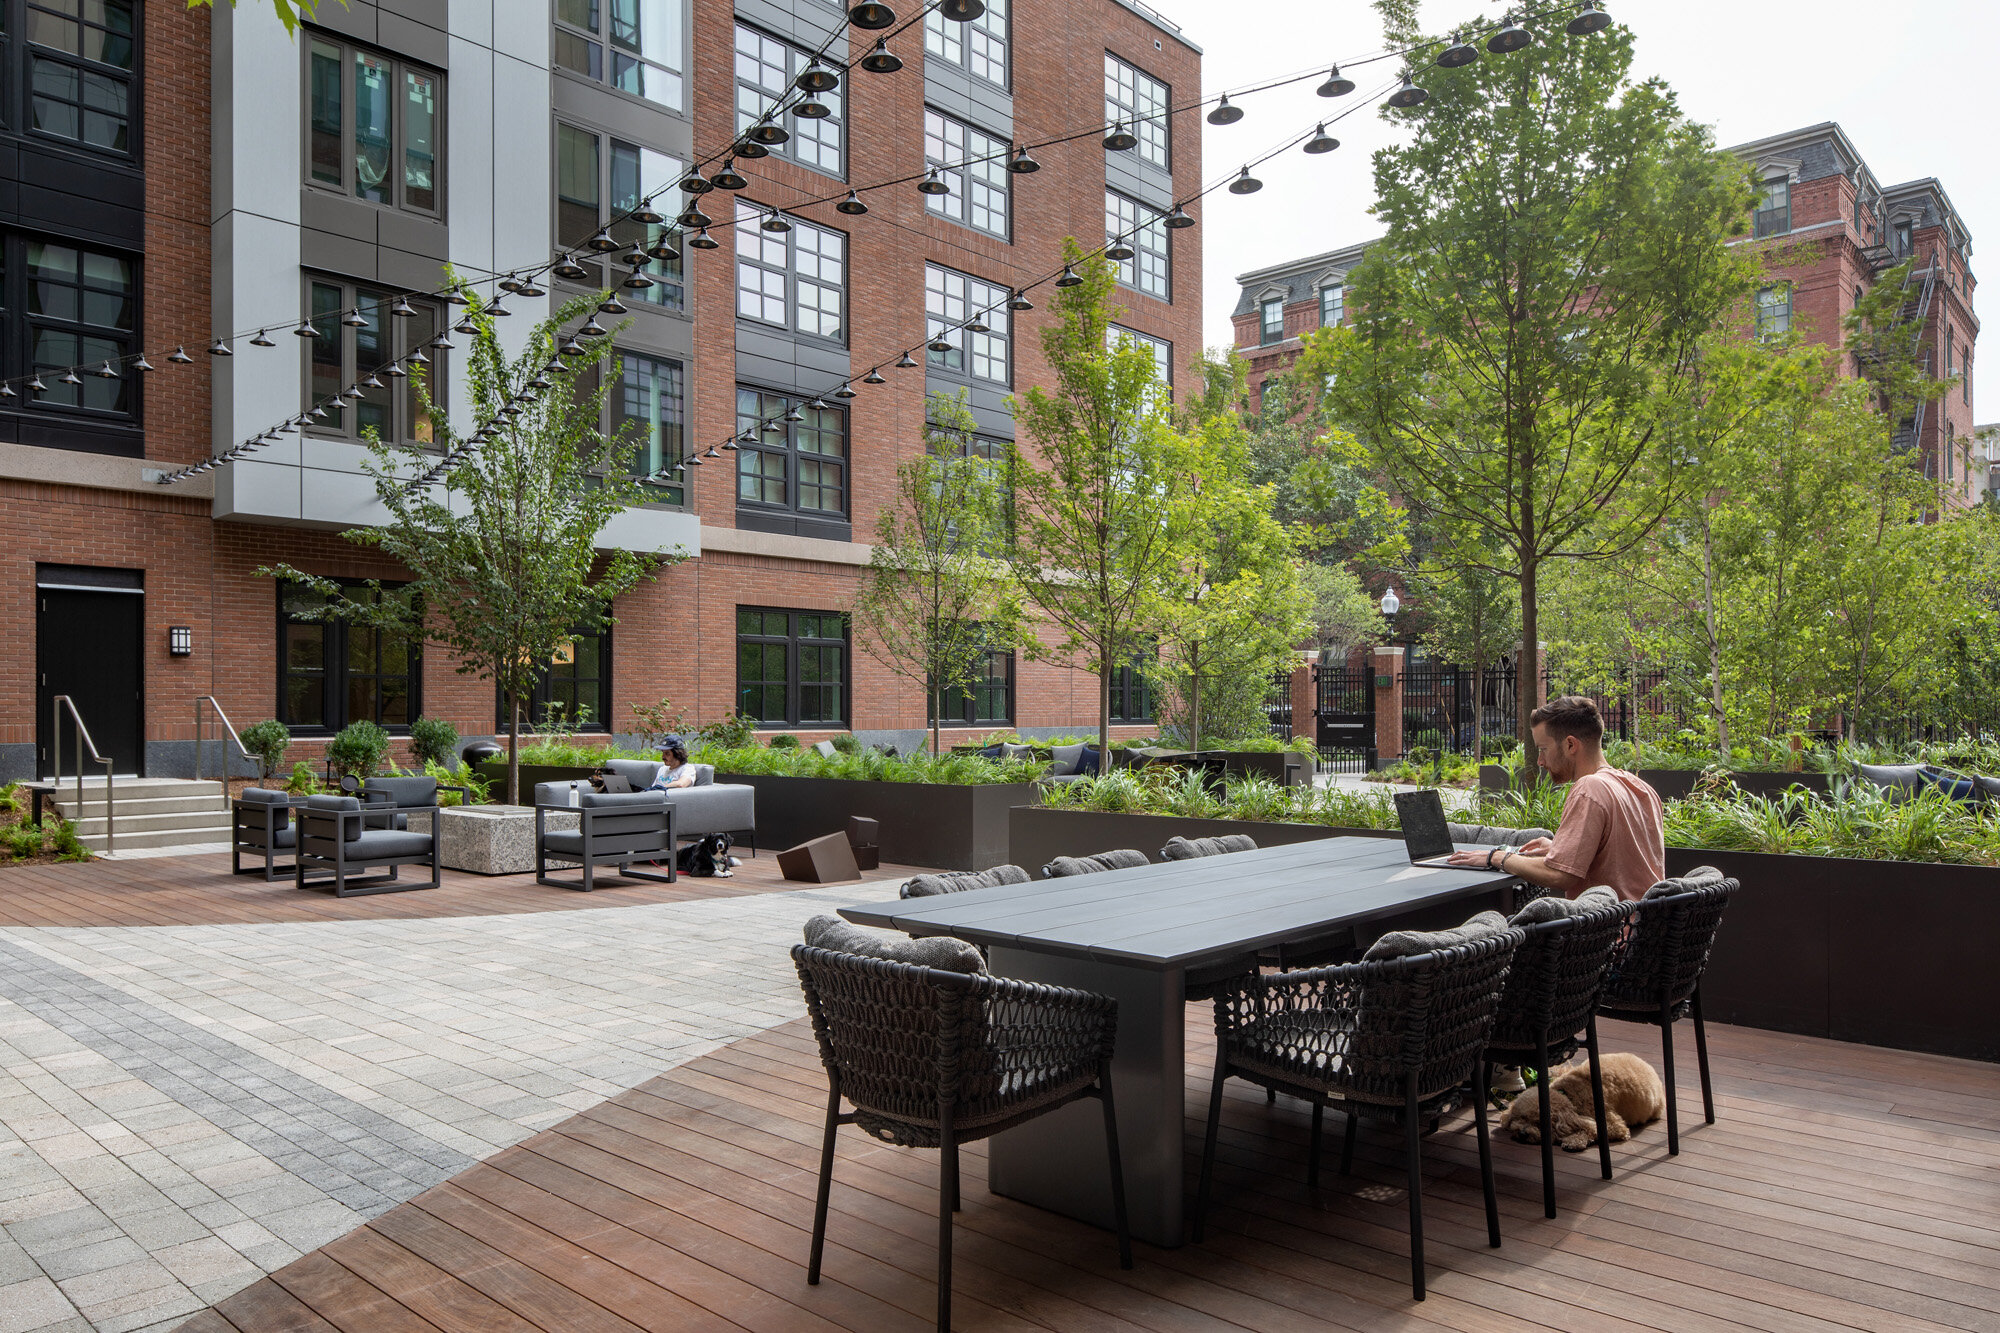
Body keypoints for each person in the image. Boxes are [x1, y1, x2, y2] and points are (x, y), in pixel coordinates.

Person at [1449, 695, 1665, 901]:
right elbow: (1621, 860)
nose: (1540, 761)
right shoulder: (1640, 787)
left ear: (1571, 745)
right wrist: (1558, 849)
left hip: (1609, 934)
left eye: (1543, 749)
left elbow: (1559, 875)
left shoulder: (1590, 788)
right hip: (1644, 929)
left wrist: (1496, 858)